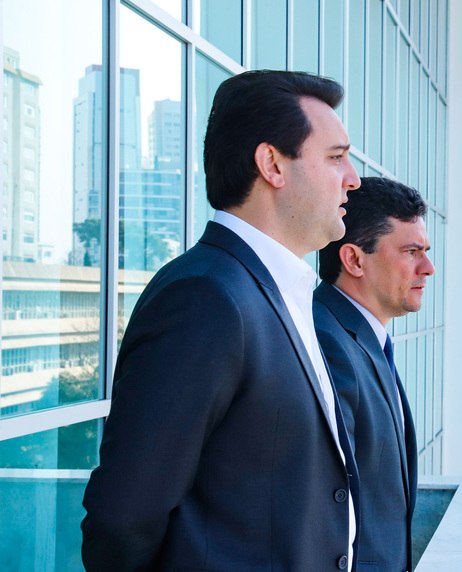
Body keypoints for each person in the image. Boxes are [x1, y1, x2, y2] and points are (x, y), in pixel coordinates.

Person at [81, 70, 362, 571]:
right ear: (272, 164)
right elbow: (124, 517)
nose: (353, 178)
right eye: (336, 157)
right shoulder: (206, 297)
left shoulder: (279, 293)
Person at [314, 177, 434, 571]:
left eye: (425, 252)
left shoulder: (364, 339)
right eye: (411, 252)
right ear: (354, 260)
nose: (428, 268)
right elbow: (324, 505)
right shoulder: (325, 341)